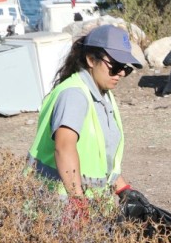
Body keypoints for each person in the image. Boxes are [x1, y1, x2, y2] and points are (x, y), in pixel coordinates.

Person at [26, 24, 143, 224]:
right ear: (91, 59)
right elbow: (64, 148)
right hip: (57, 210)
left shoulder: (103, 96)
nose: (121, 73)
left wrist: (123, 189)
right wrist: (78, 201)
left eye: (125, 68)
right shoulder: (74, 95)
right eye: (115, 66)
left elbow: (98, 157)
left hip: (88, 207)